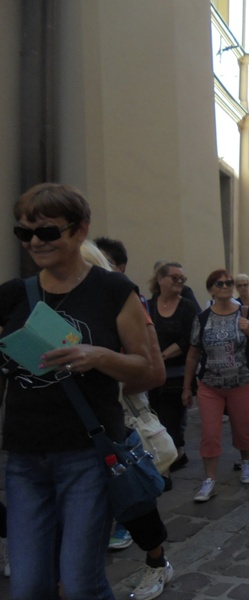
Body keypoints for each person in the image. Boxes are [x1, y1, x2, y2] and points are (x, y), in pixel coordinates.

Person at [0, 183, 156, 599]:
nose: (35, 242)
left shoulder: (114, 291)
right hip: (24, 458)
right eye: (25, 232)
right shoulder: (12, 295)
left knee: (80, 583)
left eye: (47, 231)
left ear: (80, 229)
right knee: (27, 586)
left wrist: (98, 356)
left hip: (88, 455)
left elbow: (147, 369)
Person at [81, 240, 175, 600]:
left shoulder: (125, 304)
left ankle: (157, 562)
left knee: (133, 498)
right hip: (66, 425)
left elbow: (154, 372)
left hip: (115, 420)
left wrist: (107, 374)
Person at [182, 269, 249, 502]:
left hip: (240, 382)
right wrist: (187, 387)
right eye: (220, 283)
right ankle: (209, 480)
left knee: (242, 427)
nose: (226, 287)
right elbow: (193, 354)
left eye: (229, 283)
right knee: (209, 433)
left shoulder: (245, 313)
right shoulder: (202, 318)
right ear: (211, 290)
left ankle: (246, 460)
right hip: (210, 385)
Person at [148, 262, 196, 475]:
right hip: (152, 373)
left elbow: (188, 339)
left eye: (182, 279)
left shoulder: (187, 306)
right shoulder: (149, 305)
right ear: (160, 279)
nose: (179, 282)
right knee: (154, 416)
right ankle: (174, 455)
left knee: (171, 419)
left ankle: (168, 462)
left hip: (177, 374)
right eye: (174, 277)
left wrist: (162, 356)